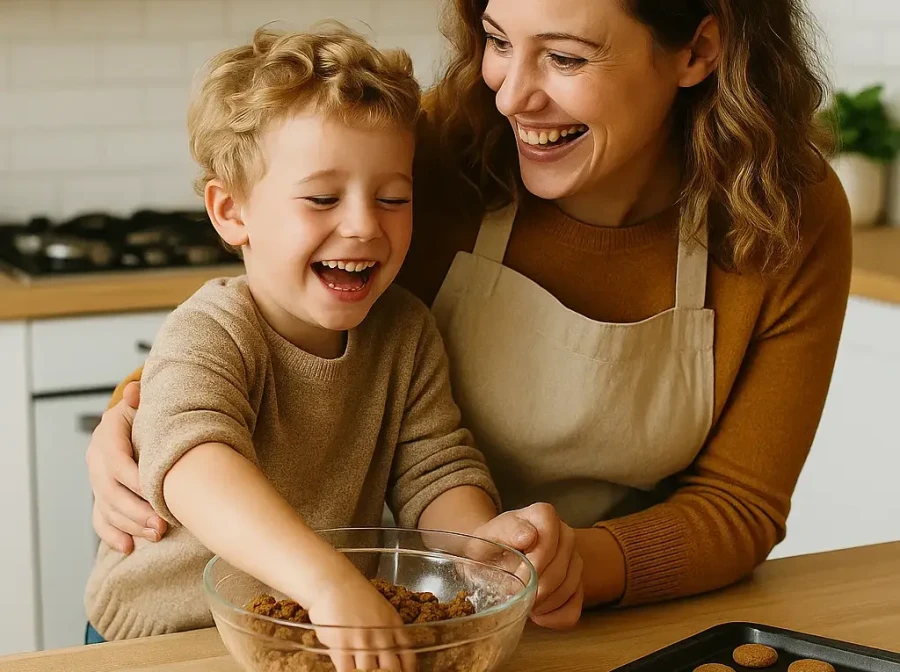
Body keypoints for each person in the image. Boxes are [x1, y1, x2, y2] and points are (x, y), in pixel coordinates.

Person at [87, 0, 852, 613]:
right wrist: (139, 416)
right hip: (352, 605)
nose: (512, 93)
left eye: (565, 56)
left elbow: (738, 504)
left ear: (697, 50)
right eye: (496, 39)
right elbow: (253, 337)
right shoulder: (431, 152)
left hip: (567, 609)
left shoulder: (785, 211)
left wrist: (539, 561)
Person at [83, 25, 583, 663]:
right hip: (168, 637)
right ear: (231, 211)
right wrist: (326, 579)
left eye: (392, 198)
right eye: (322, 198)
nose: (363, 225)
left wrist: (481, 545)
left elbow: (435, 469)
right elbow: (193, 463)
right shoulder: (212, 328)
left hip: (317, 630)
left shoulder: (404, 331)